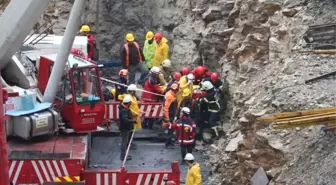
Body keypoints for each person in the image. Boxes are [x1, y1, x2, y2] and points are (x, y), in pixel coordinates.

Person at [118, 84, 142, 149]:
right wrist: (136, 113)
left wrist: (139, 111)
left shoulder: (133, 97)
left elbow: (135, 106)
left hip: (134, 117)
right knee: (129, 131)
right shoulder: (128, 98)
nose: (135, 93)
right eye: (134, 91)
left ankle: (129, 143)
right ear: (131, 91)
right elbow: (129, 109)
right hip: (131, 117)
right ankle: (128, 144)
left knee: (131, 131)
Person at [119, 95, 136, 161]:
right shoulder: (124, 110)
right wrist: (133, 121)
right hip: (125, 128)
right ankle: (123, 156)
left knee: (125, 142)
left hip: (125, 128)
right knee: (124, 142)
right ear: (128, 103)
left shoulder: (124, 109)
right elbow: (125, 120)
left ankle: (124, 154)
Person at [163, 83, 179, 148]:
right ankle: (167, 143)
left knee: (171, 128)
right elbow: (166, 107)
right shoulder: (170, 96)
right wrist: (167, 117)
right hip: (170, 115)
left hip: (172, 114)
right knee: (170, 129)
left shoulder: (172, 94)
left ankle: (169, 141)